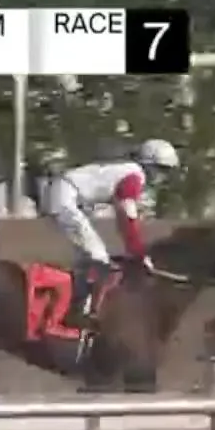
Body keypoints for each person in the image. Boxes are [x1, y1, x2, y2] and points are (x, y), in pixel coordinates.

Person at [39, 138, 182, 330]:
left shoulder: (130, 172)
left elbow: (124, 221)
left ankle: (72, 305)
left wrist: (134, 251)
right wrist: (139, 253)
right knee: (98, 257)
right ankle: (78, 313)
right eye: (163, 170)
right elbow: (127, 219)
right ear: (151, 165)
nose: (164, 177)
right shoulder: (135, 177)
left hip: (66, 194)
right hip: (65, 197)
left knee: (88, 260)